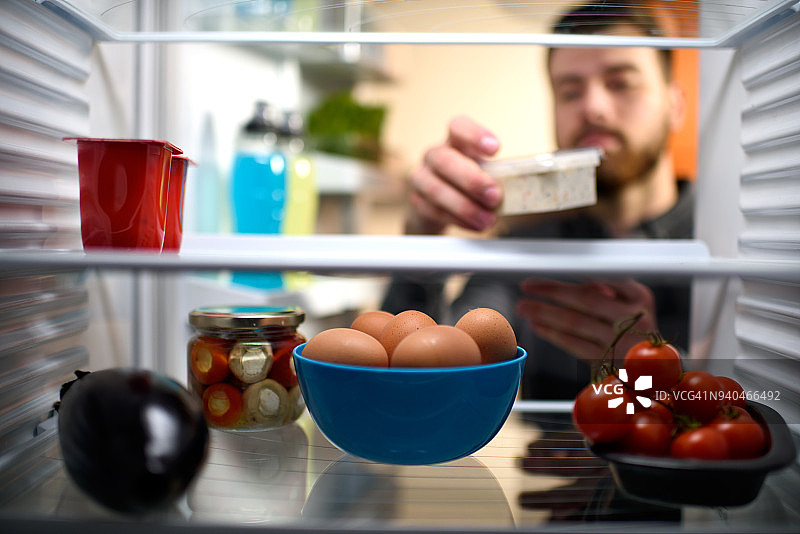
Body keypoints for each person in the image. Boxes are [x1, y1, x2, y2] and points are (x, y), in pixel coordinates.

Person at [381, 1, 694, 399]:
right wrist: (422, 247)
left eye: (621, 83)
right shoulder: (526, 246)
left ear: (675, 105)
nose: (593, 108)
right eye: (570, 91)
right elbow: (425, 377)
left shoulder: (729, 234)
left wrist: (659, 368)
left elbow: (770, 406)